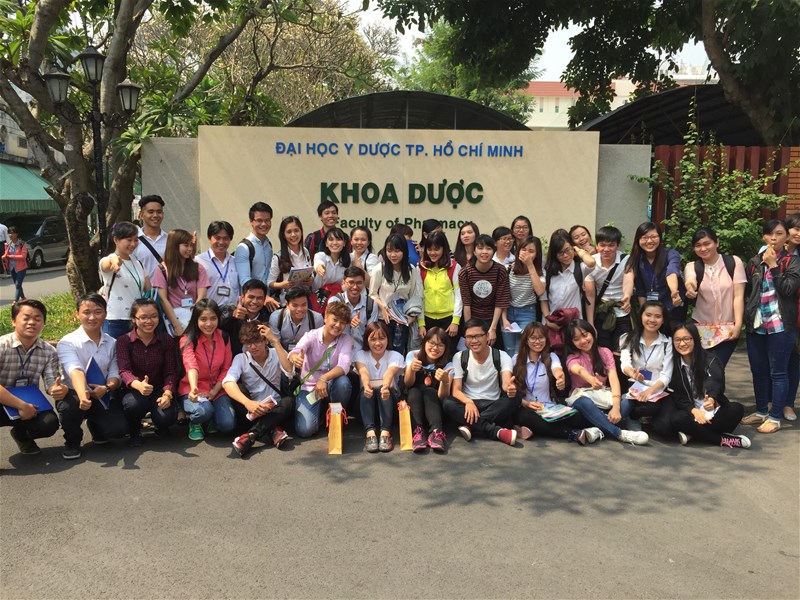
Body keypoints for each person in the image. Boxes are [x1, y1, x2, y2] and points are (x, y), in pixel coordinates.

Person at [740, 219, 800, 433]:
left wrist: (774, 266)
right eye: (769, 234)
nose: (773, 238)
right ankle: (761, 411)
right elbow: (749, 291)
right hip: (757, 323)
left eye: (779, 233)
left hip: (781, 324)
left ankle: (775, 417)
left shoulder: (792, 261)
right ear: (764, 237)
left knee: (778, 372)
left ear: (786, 237)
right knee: (758, 371)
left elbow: (788, 289)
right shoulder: (755, 262)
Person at [56, 294, 127, 460]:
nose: (92, 317)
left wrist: (107, 387)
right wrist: (83, 396)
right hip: (75, 394)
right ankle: (72, 441)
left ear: (105, 314)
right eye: (86, 312)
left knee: (119, 430)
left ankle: (96, 427)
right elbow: (75, 370)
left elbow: (115, 373)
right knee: (69, 408)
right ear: (77, 314)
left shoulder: (112, 343)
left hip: (102, 393)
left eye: (98, 312)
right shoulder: (67, 342)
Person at [658, 324, 750, 448]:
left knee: (736, 409)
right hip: (691, 413)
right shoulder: (673, 365)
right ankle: (722, 440)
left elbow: (716, 381)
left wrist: (711, 398)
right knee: (677, 418)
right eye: (677, 340)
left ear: (695, 339)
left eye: (686, 339)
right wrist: (693, 410)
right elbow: (677, 395)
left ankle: (694, 433)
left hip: (713, 411)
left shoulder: (710, 360)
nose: (682, 344)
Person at [564, 319, 648, 445]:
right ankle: (620, 434)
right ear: (572, 342)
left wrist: (616, 408)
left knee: (629, 398)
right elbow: (579, 370)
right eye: (576, 339)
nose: (583, 341)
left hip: (604, 400)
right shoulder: (572, 357)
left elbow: (614, 381)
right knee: (583, 401)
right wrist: (591, 379)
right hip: (584, 406)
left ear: (592, 333)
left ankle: (597, 429)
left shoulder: (605, 352)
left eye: (585, 335)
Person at [511, 322, 597, 445]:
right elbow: (510, 387)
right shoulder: (516, 359)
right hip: (526, 407)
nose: (537, 341)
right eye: (533, 338)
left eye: (541, 337)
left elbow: (557, 369)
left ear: (546, 339)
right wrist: (526, 403)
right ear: (526, 340)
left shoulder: (551, 356)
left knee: (576, 416)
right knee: (525, 417)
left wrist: (560, 378)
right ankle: (571, 433)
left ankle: (530, 429)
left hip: (549, 408)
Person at [0, 299, 65, 455]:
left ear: (43, 323)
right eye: (26, 318)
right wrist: (21, 406)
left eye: (37, 319)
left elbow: (51, 382)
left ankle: (21, 435)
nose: (32, 322)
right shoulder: (2, 346)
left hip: (30, 403)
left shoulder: (48, 351)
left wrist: (57, 389)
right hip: (3, 400)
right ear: (13, 321)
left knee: (49, 423)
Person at [443, 319, 520, 445]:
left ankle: (470, 425)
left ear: (487, 336)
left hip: (493, 404)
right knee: (447, 402)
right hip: (469, 405)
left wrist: (509, 388)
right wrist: (468, 402)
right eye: (469, 337)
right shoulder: (460, 357)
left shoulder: (502, 356)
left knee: (515, 397)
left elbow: (506, 383)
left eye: (478, 336)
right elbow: (456, 390)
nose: (474, 341)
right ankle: (495, 431)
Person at [224, 321, 294, 457]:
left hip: (275, 408)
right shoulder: (241, 358)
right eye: (248, 343)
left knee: (289, 401)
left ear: (265, 340)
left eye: (256, 342)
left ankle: (251, 435)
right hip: (252, 410)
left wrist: (275, 341)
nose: (252, 347)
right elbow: (227, 382)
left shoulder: (277, 353)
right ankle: (273, 430)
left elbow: (289, 370)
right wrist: (247, 403)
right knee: (238, 389)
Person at [116, 298, 178, 446]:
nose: (149, 321)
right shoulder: (124, 341)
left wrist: (167, 394)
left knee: (167, 417)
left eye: (154, 316)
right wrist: (138, 385)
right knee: (133, 405)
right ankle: (135, 430)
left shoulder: (166, 340)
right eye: (143, 317)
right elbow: (124, 370)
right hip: (135, 390)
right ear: (134, 319)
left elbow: (171, 371)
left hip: (159, 389)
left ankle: (160, 425)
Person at [288, 301, 354, 438]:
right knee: (305, 430)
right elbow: (296, 351)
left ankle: (337, 416)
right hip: (310, 388)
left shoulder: (345, 339)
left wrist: (324, 378)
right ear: (325, 317)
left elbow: (344, 365)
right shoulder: (311, 336)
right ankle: (322, 412)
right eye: (335, 320)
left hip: (331, 385)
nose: (338, 325)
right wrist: (295, 358)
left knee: (343, 382)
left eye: (342, 323)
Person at [683, 227, 746, 366]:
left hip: (727, 329)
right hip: (701, 328)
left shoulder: (733, 262)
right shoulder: (692, 266)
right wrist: (690, 288)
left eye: (707, 244)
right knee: (703, 368)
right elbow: (690, 280)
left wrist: (738, 324)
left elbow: (738, 296)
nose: (703, 248)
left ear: (717, 242)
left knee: (716, 366)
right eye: (698, 245)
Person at [179, 299, 235, 441]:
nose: (209, 324)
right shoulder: (188, 339)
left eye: (213, 318)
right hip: (193, 389)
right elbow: (191, 365)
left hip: (216, 388)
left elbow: (226, 367)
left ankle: (209, 417)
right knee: (203, 412)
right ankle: (195, 421)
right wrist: (194, 388)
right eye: (203, 319)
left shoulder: (224, 337)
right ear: (196, 320)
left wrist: (214, 391)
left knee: (227, 424)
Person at [354, 322, 405, 452]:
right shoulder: (360, 355)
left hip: (389, 404)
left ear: (388, 339)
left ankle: (385, 434)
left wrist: (386, 386)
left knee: (383, 388)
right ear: (367, 340)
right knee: (367, 390)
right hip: (366, 405)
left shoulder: (395, 356)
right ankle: (370, 434)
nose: (378, 343)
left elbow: (389, 373)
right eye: (373, 339)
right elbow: (363, 372)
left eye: (382, 338)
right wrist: (366, 385)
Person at [619, 301, 673, 424]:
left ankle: (632, 418)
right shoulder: (627, 338)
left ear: (663, 320)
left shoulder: (667, 342)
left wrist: (650, 391)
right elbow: (625, 363)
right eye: (648, 315)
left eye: (657, 316)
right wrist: (632, 374)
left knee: (648, 408)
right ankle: (622, 422)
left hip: (656, 388)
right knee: (629, 402)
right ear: (641, 316)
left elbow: (666, 375)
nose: (652, 320)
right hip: (634, 384)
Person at [369, 233, 423, 354]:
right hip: (384, 320)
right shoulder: (380, 269)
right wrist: (383, 307)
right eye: (389, 250)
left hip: (403, 321)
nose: (393, 255)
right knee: (382, 353)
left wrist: (412, 317)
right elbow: (372, 294)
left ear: (404, 251)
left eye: (397, 251)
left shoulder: (411, 270)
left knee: (399, 354)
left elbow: (414, 295)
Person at [623, 221, 686, 325]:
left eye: (653, 237)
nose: (649, 241)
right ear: (638, 239)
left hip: (673, 306)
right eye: (644, 237)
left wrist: (674, 291)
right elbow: (633, 281)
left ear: (660, 238)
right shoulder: (636, 259)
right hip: (651, 311)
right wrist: (628, 296)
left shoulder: (671, 254)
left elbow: (672, 272)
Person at [152, 229, 209, 337]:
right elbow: (163, 299)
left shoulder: (198, 268)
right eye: (186, 245)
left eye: (191, 245)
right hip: (173, 320)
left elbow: (201, 296)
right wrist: (176, 325)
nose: (189, 249)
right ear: (174, 246)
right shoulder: (162, 269)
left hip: (194, 319)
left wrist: (193, 321)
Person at [99, 221, 152, 339]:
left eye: (136, 240)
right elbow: (107, 264)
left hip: (137, 319)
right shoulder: (108, 259)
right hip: (115, 320)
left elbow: (149, 290)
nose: (133, 244)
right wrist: (114, 262)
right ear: (116, 240)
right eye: (129, 240)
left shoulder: (138, 264)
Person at [403, 327, 452, 452]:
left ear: (445, 348)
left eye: (440, 345)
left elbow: (443, 396)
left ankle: (436, 432)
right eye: (432, 343)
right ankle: (417, 432)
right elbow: (407, 383)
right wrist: (412, 369)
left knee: (430, 391)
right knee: (414, 391)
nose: (435, 348)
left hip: (435, 410)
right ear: (425, 342)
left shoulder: (448, 364)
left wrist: (445, 381)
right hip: (415, 406)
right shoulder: (413, 355)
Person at [586, 226, 632, 354]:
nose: (606, 249)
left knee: (623, 351)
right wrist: (591, 324)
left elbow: (628, 279)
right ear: (597, 246)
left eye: (611, 245)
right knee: (603, 352)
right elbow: (590, 296)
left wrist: (627, 296)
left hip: (622, 310)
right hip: (602, 313)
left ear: (618, 246)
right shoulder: (591, 263)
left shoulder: (626, 259)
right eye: (602, 245)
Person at [458, 234, 510, 347]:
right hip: (473, 318)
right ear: (474, 251)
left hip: (493, 319)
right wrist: (469, 330)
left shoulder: (500, 271)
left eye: (488, 248)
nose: (484, 252)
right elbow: (466, 303)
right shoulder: (465, 272)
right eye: (480, 248)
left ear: (494, 251)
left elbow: (500, 301)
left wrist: (493, 329)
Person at [502, 235, 547, 352]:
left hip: (527, 312)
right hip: (508, 311)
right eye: (524, 249)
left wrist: (530, 265)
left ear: (537, 254)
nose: (526, 253)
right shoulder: (508, 268)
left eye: (531, 251)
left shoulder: (540, 272)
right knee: (509, 349)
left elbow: (540, 291)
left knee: (521, 349)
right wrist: (504, 319)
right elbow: (502, 296)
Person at [418, 230, 461, 344]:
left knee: (448, 352)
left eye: (436, 249)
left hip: (449, 319)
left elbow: (459, 296)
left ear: (444, 249)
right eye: (429, 249)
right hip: (427, 319)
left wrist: (455, 321)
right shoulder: (421, 268)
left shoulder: (454, 267)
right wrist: (421, 323)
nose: (432, 253)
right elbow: (419, 297)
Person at [544, 232, 597, 326]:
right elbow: (543, 298)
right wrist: (548, 321)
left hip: (574, 325)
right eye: (560, 253)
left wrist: (579, 250)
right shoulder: (549, 272)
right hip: (554, 324)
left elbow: (591, 262)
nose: (565, 255)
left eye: (567, 250)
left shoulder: (580, 268)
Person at [328, 266, 380, 348]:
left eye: (359, 283)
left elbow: (371, 332)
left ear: (363, 283)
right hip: (338, 347)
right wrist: (348, 321)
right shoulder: (335, 301)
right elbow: (331, 326)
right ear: (344, 283)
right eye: (351, 282)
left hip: (362, 349)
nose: (355, 287)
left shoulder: (371, 304)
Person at [220, 279, 272, 355]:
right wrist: (233, 316)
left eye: (259, 298)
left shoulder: (269, 315)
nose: (255, 301)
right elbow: (219, 325)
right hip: (234, 358)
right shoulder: (232, 312)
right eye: (251, 297)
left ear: (264, 300)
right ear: (242, 298)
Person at [268, 216, 313, 304]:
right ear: (284, 235)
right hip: (288, 302)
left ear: (301, 232)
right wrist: (282, 285)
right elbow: (270, 283)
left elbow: (310, 273)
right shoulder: (278, 257)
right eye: (289, 232)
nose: (293, 235)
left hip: (305, 301)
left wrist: (311, 280)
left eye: (296, 230)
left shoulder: (306, 252)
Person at [195, 221, 240, 308]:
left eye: (226, 238)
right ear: (209, 238)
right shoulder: (198, 261)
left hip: (232, 312)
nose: (221, 242)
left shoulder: (235, 262)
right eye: (217, 238)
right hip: (209, 312)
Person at [235, 202, 279, 291]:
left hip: (268, 297)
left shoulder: (268, 245)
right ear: (251, 221)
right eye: (259, 220)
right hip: (253, 297)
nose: (264, 224)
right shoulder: (244, 248)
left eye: (267, 220)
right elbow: (244, 281)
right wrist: (262, 296)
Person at [312, 227, 350, 311]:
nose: (335, 243)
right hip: (318, 300)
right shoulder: (321, 255)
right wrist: (319, 268)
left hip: (337, 300)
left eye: (338, 239)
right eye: (331, 239)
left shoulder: (348, 260)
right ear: (326, 243)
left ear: (344, 243)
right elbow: (318, 263)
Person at [131, 194, 168, 279]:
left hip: (166, 287)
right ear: (141, 215)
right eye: (150, 212)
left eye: (159, 212)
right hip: (142, 287)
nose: (155, 215)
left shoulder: (170, 240)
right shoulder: (133, 241)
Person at [2, 226, 28, 303]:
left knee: (17, 284)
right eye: (9, 233)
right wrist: (4, 257)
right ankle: (23, 297)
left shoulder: (22, 244)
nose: (10, 235)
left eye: (12, 233)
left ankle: (15, 301)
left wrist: (11, 256)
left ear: (16, 234)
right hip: (12, 268)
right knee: (18, 285)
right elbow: (6, 254)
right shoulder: (8, 244)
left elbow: (23, 256)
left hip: (21, 268)